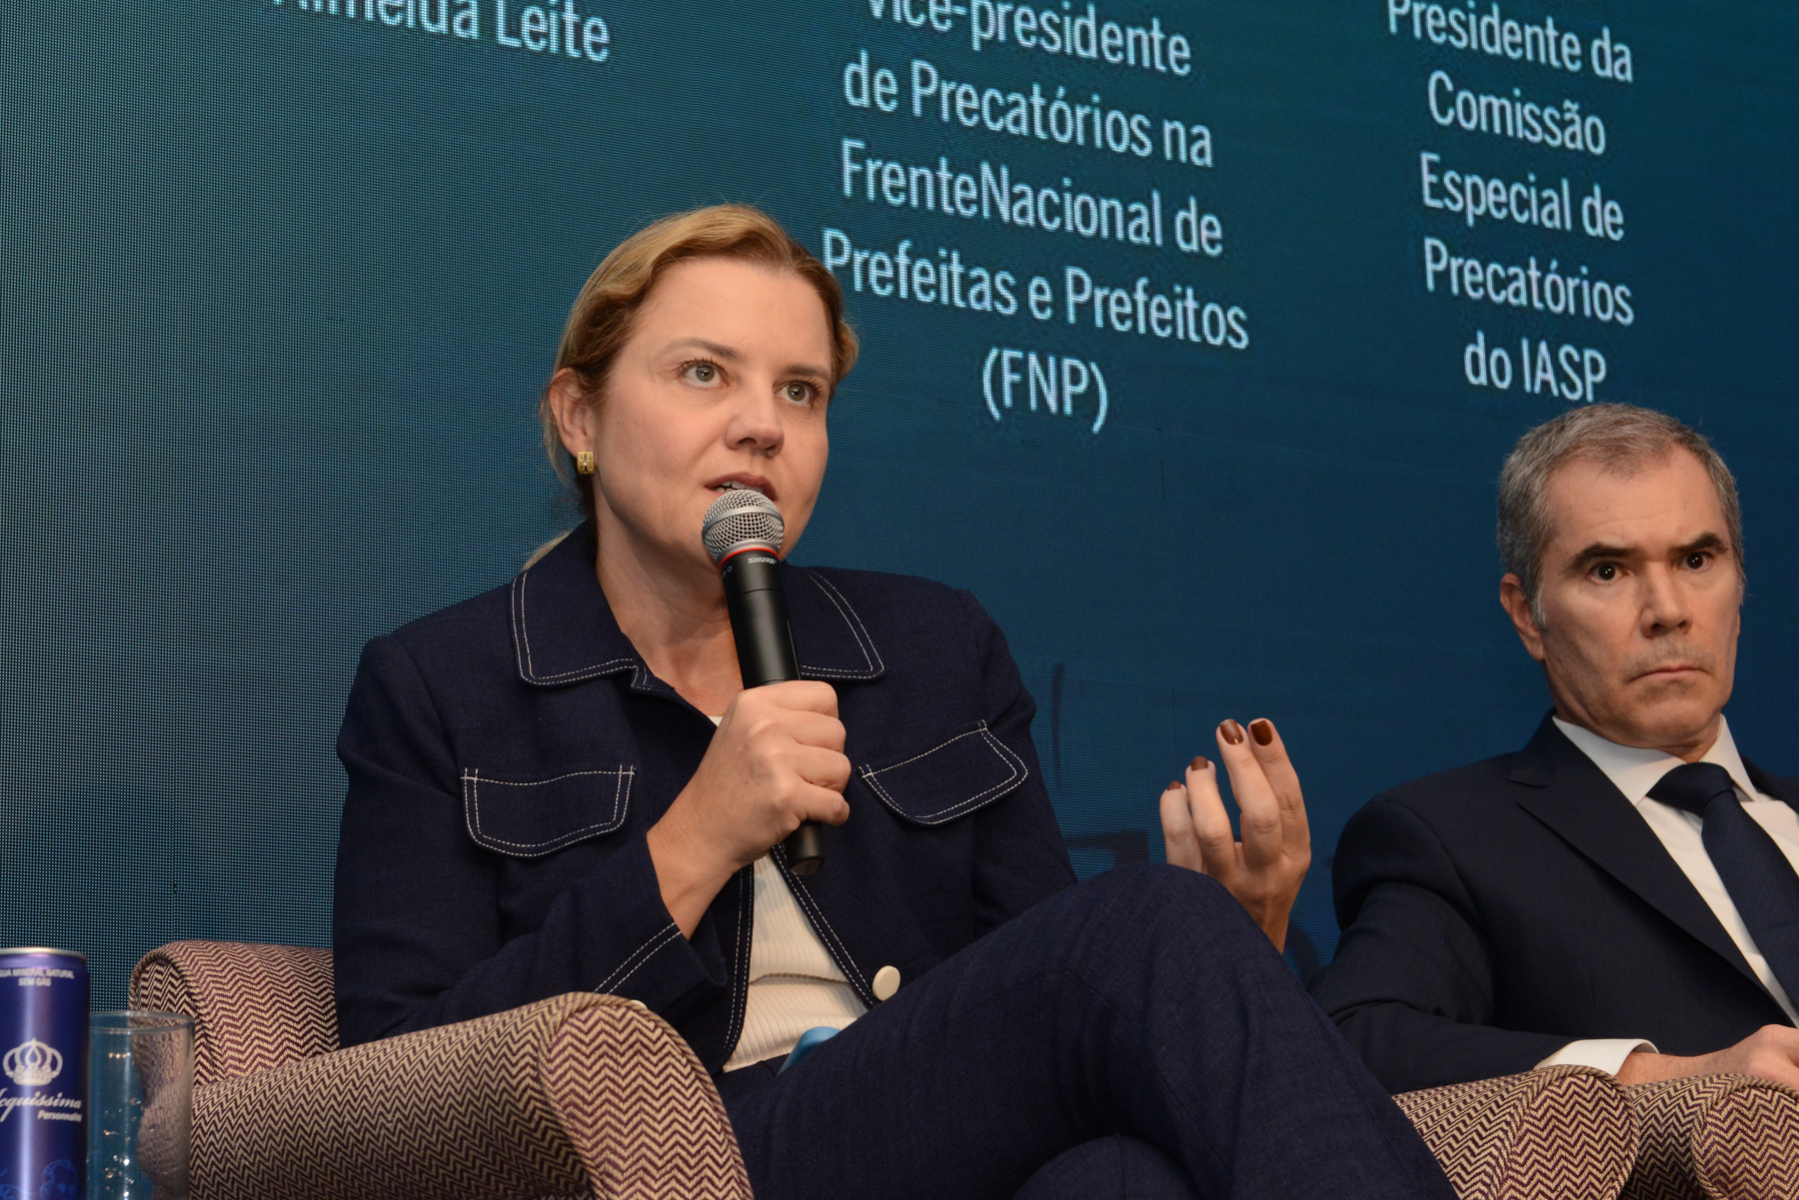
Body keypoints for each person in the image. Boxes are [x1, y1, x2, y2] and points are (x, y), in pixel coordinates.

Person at [333, 203, 1452, 1200]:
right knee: (1149, 920)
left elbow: (1045, 987)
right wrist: (694, 841)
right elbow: (392, 1100)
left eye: (800, 391)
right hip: (691, 1159)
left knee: (1119, 1179)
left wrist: (1243, 940)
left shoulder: (933, 648)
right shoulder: (441, 685)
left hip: (934, 1137)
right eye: (704, 374)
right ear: (579, 418)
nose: (762, 424)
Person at [1311, 404, 1799, 1096]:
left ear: (1739, 586)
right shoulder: (1452, 840)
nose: (1668, 610)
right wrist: (1663, 1081)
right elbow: (1356, 1038)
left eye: (1695, 560)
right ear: (1526, 615)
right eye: (1608, 571)